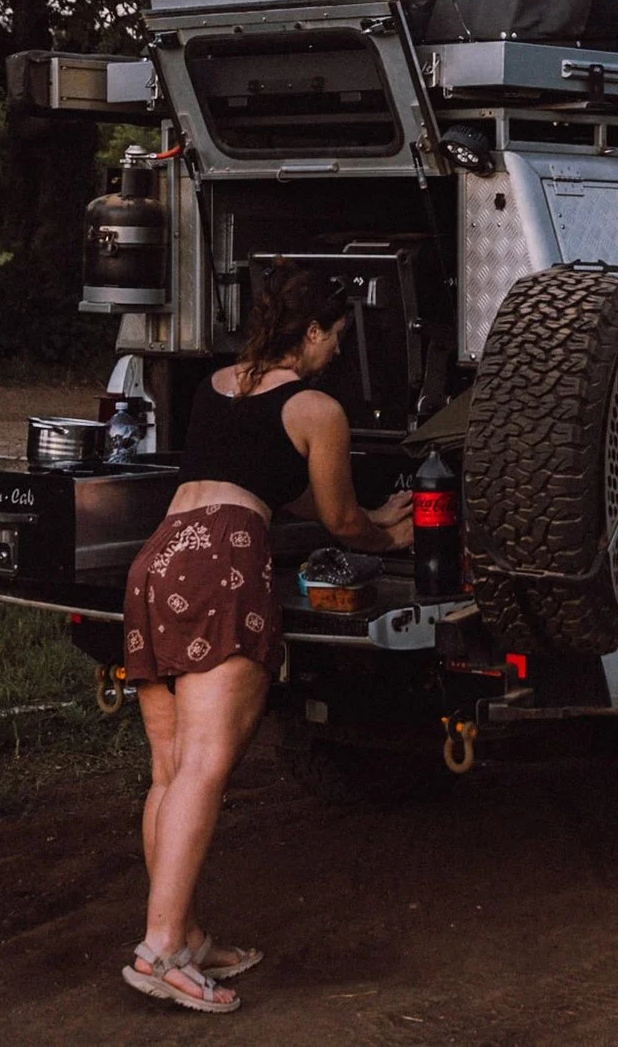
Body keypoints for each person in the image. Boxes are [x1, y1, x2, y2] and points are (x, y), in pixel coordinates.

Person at [122, 264, 412, 1013]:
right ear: (312, 333)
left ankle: (182, 934)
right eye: (336, 339)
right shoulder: (317, 407)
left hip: (158, 558)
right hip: (222, 563)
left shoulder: (214, 387)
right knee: (207, 765)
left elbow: (250, 472)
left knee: (170, 768)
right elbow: (339, 521)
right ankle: (158, 951)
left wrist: (370, 513)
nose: (338, 355)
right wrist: (393, 531)